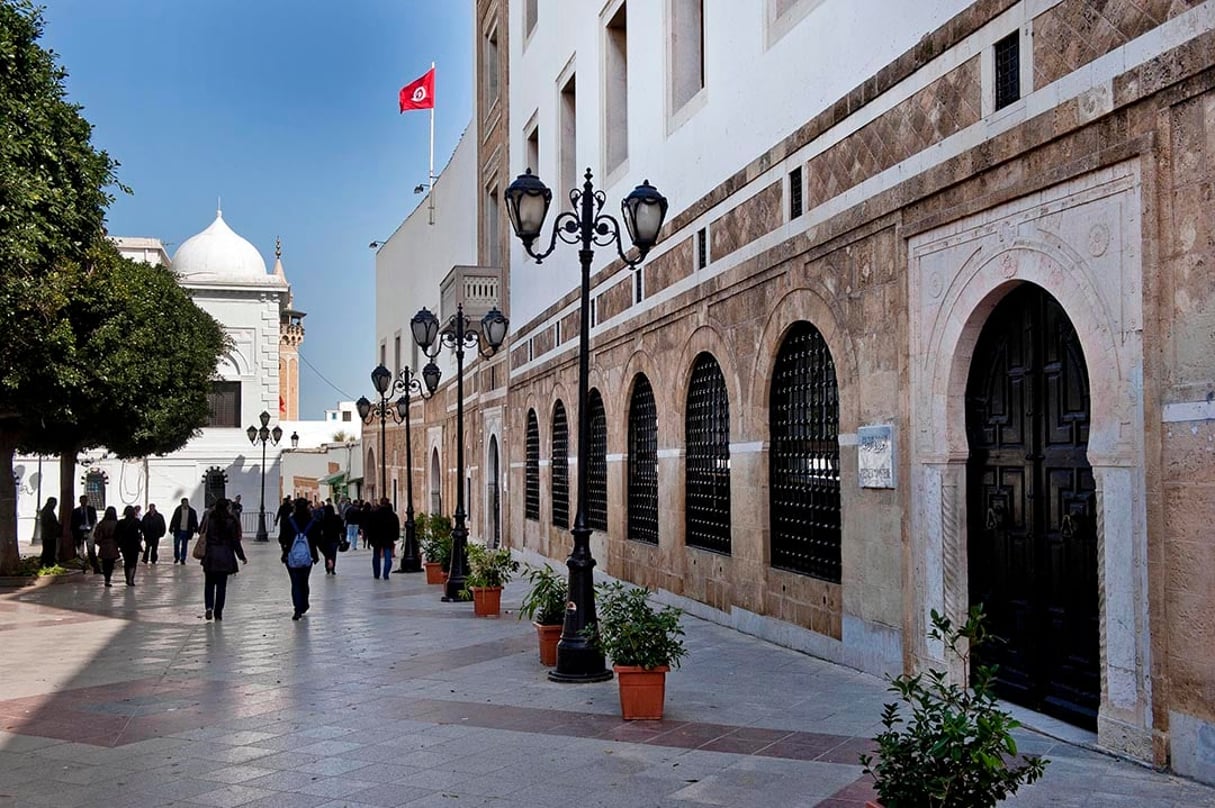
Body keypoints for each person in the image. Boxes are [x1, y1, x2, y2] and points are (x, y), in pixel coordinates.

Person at [200, 497, 247, 621]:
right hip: (225, 556)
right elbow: (235, 541)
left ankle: (209, 606)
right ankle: (218, 612)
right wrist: (241, 556)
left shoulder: (209, 519)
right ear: (227, 508)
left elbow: (202, 532)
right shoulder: (231, 521)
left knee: (209, 584)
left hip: (210, 555)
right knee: (221, 586)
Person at [280, 498, 319, 620]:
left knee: (295, 582)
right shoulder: (312, 521)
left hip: (291, 556)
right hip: (308, 556)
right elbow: (318, 540)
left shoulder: (288, 521)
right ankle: (304, 604)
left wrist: (286, 548)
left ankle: (297, 608)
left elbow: (281, 538)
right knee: (304, 581)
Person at [368, 498, 399, 580]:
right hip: (388, 538)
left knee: (376, 556)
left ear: (380, 503)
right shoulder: (392, 515)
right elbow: (396, 527)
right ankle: (386, 574)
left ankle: (376, 574)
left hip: (376, 538)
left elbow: (370, 527)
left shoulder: (374, 514)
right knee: (388, 556)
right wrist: (395, 537)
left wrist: (370, 539)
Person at [70, 495, 100, 573]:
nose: (83, 502)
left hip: (89, 531)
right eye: (82, 500)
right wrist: (74, 533)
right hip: (80, 532)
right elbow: (72, 523)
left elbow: (95, 521)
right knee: (80, 551)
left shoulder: (91, 510)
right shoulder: (75, 511)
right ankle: (82, 568)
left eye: (85, 500)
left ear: (87, 501)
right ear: (80, 501)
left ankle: (95, 568)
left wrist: (93, 530)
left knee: (91, 551)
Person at [114, 506, 144, 586]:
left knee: (127, 562)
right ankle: (131, 579)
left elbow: (116, 534)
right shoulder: (136, 521)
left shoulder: (121, 522)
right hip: (134, 544)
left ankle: (127, 578)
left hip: (124, 545)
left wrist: (118, 543)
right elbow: (143, 529)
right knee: (133, 562)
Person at [92, 507, 120, 587]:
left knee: (105, 562)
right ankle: (108, 578)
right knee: (111, 563)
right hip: (113, 544)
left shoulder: (102, 523)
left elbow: (96, 535)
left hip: (104, 544)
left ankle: (106, 578)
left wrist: (99, 542)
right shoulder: (116, 523)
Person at [169, 498, 199, 565]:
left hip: (186, 531)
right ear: (182, 503)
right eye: (184, 502)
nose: (186, 504)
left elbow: (195, 521)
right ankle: (177, 557)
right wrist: (171, 528)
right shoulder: (178, 510)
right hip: (178, 530)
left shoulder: (192, 511)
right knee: (176, 544)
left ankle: (183, 558)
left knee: (184, 545)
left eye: (186, 502)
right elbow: (174, 519)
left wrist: (196, 529)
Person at [318, 503, 341, 575]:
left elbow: (320, 529)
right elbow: (341, 528)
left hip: (326, 539)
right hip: (335, 538)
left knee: (327, 553)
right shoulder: (337, 518)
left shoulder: (323, 519)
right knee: (333, 554)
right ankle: (333, 568)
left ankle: (327, 567)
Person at [38, 498, 59, 568]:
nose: (55, 505)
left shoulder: (48, 511)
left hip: (49, 534)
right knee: (48, 550)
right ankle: (47, 563)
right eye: (54, 503)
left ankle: (47, 563)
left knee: (49, 550)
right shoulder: (47, 511)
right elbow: (48, 523)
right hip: (49, 535)